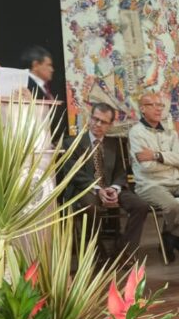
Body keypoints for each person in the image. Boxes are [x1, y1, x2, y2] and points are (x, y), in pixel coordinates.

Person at [128, 92, 179, 262]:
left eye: (160, 105)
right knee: (172, 206)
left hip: (174, 182)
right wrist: (168, 159)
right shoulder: (136, 132)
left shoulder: (169, 131)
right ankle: (172, 236)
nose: (158, 108)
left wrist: (156, 155)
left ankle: (172, 235)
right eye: (152, 105)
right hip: (149, 185)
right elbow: (147, 167)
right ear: (143, 109)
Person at [62, 103, 149, 258]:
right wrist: (98, 189)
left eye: (103, 122)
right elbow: (73, 173)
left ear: (111, 125)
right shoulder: (72, 142)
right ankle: (96, 252)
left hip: (110, 187)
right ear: (90, 118)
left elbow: (121, 171)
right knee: (90, 207)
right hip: (85, 188)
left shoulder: (114, 143)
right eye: (95, 119)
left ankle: (124, 251)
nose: (98, 124)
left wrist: (115, 188)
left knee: (140, 206)